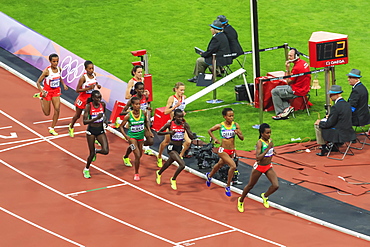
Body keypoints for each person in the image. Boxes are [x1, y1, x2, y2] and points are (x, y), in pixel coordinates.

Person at [237, 123, 279, 212]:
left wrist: (273, 150)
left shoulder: (270, 140)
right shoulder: (259, 143)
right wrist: (268, 149)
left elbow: (271, 147)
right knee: (250, 186)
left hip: (268, 166)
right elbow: (258, 157)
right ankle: (241, 200)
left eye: (270, 133)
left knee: (276, 185)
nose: (269, 135)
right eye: (267, 133)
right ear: (262, 133)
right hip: (259, 167)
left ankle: (265, 196)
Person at [205, 108, 244, 197]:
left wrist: (238, 133)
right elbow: (209, 130)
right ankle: (228, 186)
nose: (232, 118)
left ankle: (209, 175)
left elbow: (242, 138)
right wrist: (215, 139)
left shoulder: (236, 125)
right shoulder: (220, 126)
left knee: (220, 165)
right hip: (223, 150)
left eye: (232, 116)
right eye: (229, 116)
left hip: (232, 150)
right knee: (233, 166)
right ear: (225, 117)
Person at [155, 109, 195, 190]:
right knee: (182, 165)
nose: (180, 119)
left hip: (179, 148)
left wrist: (187, 129)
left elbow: (192, 137)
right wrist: (169, 133)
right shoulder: (170, 124)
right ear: (175, 117)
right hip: (171, 147)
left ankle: (159, 173)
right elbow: (159, 132)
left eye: (182, 117)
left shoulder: (184, 125)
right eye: (179, 117)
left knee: (169, 163)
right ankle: (173, 179)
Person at [314, 85, 356, 156]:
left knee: (317, 126)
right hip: (348, 131)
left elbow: (330, 123)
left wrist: (320, 122)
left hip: (339, 133)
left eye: (331, 94)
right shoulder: (347, 104)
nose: (330, 96)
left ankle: (323, 147)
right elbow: (341, 117)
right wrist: (330, 117)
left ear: (336, 95)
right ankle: (334, 146)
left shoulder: (335, 107)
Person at [33, 53, 68, 135]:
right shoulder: (47, 71)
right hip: (47, 92)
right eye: (54, 61)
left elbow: (59, 77)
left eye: (57, 61)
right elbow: (38, 82)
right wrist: (42, 91)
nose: (55, 63)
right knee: (47, 113)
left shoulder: (59, 69)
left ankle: (52, 128)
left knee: (57, 109)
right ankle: (41, 98)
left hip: (56, 91)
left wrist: (63, 85)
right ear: (50, 61)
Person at [157, 82, 191, 167]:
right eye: (181, 90)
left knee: (188, 142)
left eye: (183, 90)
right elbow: (165, 112)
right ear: (176, 89)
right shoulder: (172, 98)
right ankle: (159, 156)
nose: (182, 92)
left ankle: (180, 156)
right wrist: (175, 106)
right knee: (166, 142)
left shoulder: (184, 98)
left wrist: (183, 112)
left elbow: (182, 109)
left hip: (181, 124)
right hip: (172, 124)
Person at [271, 48, 311, 120]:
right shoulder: (304, 62)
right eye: (288, 56)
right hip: (305, 88)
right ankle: (287, 108)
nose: (289, 58)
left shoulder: (296, 68)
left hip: (297, 91)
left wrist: (287, 68)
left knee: (274, 91)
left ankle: (280, 113)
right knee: (278, 88)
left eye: (290, 56)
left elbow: (288, 81)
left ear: (296, 56)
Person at [121, 82, 154, 167]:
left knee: (150, 141)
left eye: (143, 89)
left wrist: (147, 108)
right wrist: (129, 111)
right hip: (134, 124)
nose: (142, 91)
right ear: (136, 90)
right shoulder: (132, 100)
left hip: (142, 123)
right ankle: (126, 156)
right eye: (140, 89)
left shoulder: (144, 97)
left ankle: (137, 145)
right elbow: (122, 112)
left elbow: (143, 106)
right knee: (134, 146)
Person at [119, 96, 152, 181]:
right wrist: (126, 136)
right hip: (132, 137)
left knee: (140, 154)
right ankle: (136, 173)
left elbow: (146, 122)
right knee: (137, 155)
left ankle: (126, 156)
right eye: (136, 104)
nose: (138, 106)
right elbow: (121, 127)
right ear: (133, 105)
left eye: (139, 104)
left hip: (140, 137)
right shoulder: (128, 115)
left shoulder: (143, 113)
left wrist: (149, 130)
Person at [69, 60, 101, 137]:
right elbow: (77, 90)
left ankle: (94, 133)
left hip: (91, 100)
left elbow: (95, 82)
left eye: (92, 68)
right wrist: (88, 88)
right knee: (77, 115)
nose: (91, 70)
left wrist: (97, 85)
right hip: (82, 99)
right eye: (89, 69)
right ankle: (71, 127)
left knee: (92, 116)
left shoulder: (94, 75)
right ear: (86, 69)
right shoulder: (83, 78)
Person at [82, 90, 109, 178]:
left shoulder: (103, 105)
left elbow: (104, 115)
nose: (99, 99)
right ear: (93, 98)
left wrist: (105, 121)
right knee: (91, 153)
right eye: (97, 97)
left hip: (100, 129)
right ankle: (86, 169)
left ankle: (97, 151)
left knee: (105, 151)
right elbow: (85, 122)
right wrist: (96, 118)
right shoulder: (88, 106)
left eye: (100, 97)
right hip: (91, 131)